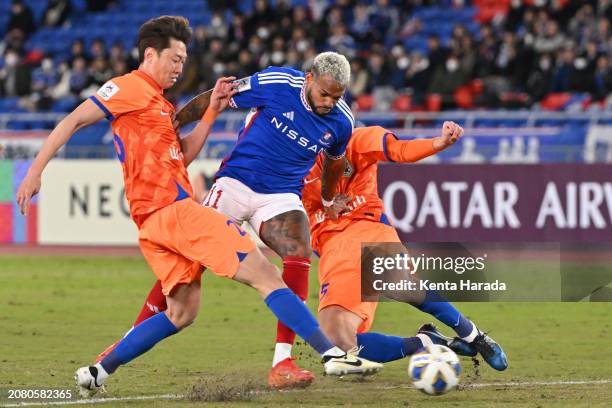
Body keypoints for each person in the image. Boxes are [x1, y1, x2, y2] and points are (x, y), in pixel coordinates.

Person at [15, 16, 381, 398]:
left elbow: (183, 156)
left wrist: (210, 113)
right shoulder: (128, 89)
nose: (180, 67)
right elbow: (74, 120)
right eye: (174, 59)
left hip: (155, 222)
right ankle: (331, 354)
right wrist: (35, 171)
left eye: (184, 59)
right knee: (265, 274)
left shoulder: (158, 106)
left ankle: (98, 370)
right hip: (176, 211)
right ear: (149, 54)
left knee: (181, 312)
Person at [97, 51, 357, 389]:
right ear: (309, 78)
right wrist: (177, 122)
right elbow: (219, 96)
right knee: (188, 264)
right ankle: (127, 340)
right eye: (324, 94)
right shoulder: (278, 83)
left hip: (280, 195)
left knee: (299, 250)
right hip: (234, 183)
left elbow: (335, 161)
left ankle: (283, 362)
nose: (329, 103)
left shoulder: (341, 121)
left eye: (336, 97)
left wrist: (326, 199)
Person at [302, 123, 508, 372]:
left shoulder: (353, 140)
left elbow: (398, 149)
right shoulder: (288, 166)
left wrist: (439, 143)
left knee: (399, 282)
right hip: (332, 249)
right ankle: (426, 342)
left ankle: (472, 334)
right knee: (335, 344)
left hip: (367, 228)